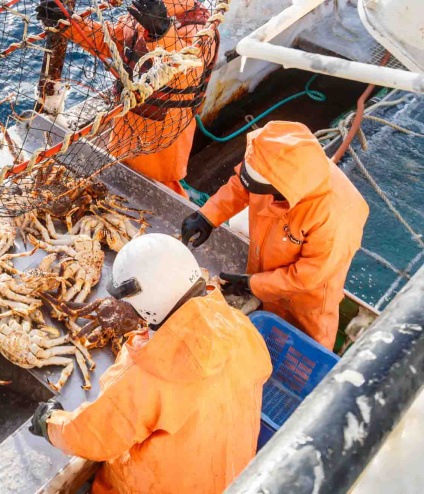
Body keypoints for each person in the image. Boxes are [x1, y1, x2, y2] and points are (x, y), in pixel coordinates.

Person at [29, 233, 272, 494]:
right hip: (235, 478)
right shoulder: (239, 325)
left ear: (146, 303)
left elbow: (93, 436)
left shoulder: (149, 373)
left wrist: (50, 422)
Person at [180, 121, 369, 349]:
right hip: (264, 274)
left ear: (282, 191)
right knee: (257, 339)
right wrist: (208, 216)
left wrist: (254, 285)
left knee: (302, 351)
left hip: (306, 303)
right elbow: (242, 185)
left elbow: (307, 277)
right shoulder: (270, 157)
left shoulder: (337, 218)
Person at [36, 0, 218, 198]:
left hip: (164, 135)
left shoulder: (200, 28)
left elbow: (188, 73)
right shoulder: (141, 10)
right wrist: (68, 25)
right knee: (117, 179)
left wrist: (162, 32)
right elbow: (112, 41)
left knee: (161, 192)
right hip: (125, 121)